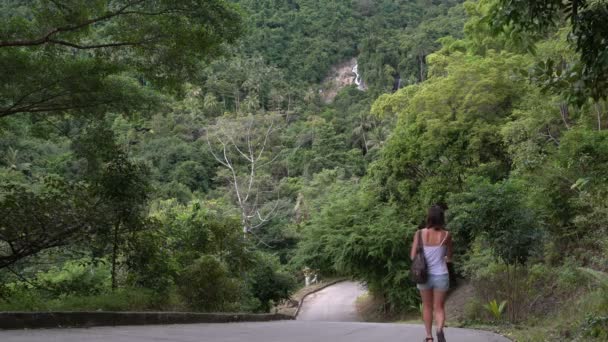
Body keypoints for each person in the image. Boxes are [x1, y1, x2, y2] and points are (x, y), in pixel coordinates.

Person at [410, 205, 453, 342]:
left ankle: (429, 337)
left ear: (429, 217)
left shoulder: (419, 233)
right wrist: (445, 258)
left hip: (424, 276)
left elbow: (412, 256)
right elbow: (449, 256)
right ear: (441, 218)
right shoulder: (446, 235)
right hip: (441, 275)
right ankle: (440, 329)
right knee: (439, 307)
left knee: (427, 306)